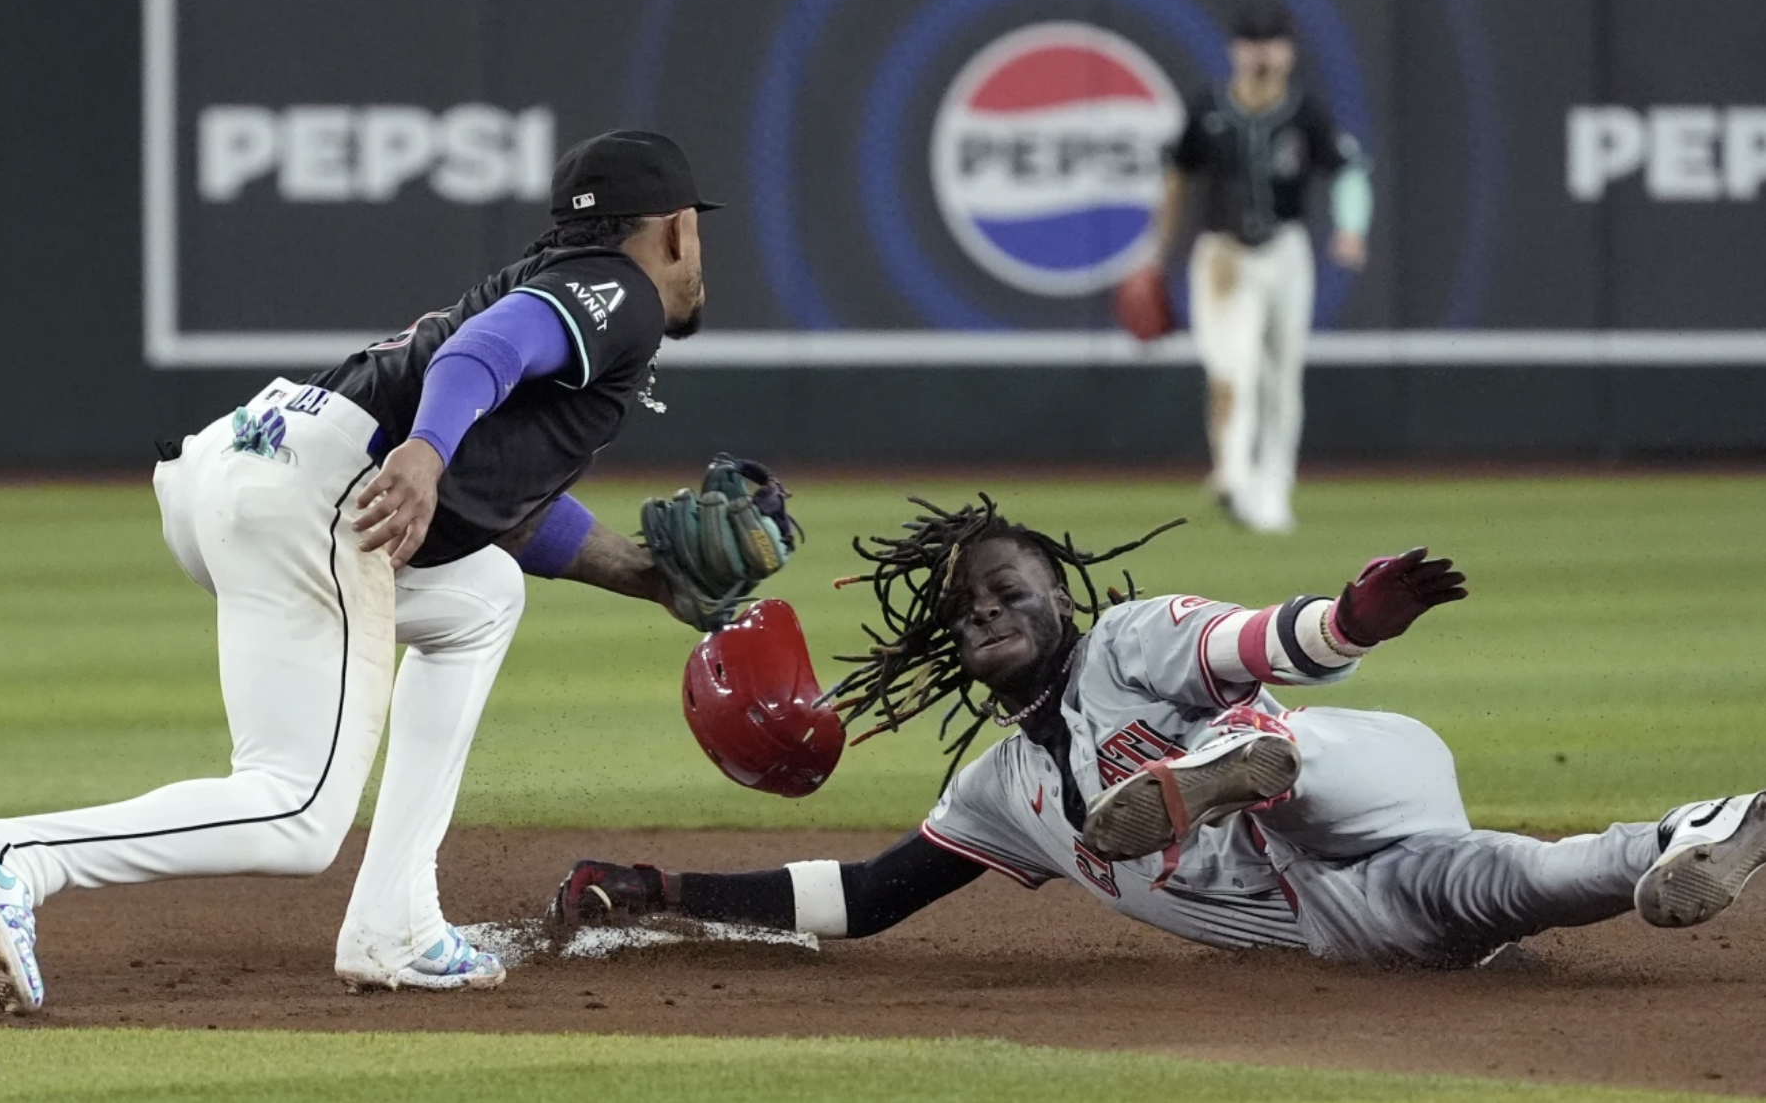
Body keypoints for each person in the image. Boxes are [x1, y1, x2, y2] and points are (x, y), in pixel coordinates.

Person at [0, 130, 796, 1015]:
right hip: (325, 496)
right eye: (697, 233)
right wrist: (423, 454)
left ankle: (395, 923)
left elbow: (501, 503)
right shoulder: (623, 293)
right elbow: (480, 355)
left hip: (247, 464)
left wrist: (644, 575)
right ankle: (14, 856)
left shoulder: (556, 280)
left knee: (482, 598)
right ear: (677, 228)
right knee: (293, 816)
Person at [546, 499, 1766, 968]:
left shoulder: (1128, 643)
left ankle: (1238, 767)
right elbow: (867, 895)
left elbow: (1256, 646)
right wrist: (661, 888)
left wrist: (1345, 618)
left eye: (1012, 590)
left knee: (1300, 752)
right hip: (1344, 918)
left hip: (1363, 778)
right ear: (950, 651)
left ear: (1063, 602)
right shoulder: (999, 791)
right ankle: (1703, 834)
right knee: (1527, 884)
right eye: (967, 610)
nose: (988, 611)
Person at [1122, 2, 1373, 534]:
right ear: (1236, 49)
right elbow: (1175, 183)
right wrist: (1153, 256)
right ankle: (1234, 478)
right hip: (1224, 255)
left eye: (1273, 42)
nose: (1262, 53)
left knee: (1282, 377)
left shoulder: (1306, 114)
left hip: (1284, 251)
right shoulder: (1208, 109)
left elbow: (1349, 171)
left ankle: (1274, 489)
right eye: (1252, 42)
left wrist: (1351, 228)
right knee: (1231, 368)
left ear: (1289, 51)